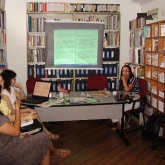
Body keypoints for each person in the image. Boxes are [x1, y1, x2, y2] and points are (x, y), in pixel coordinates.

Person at [0, 99, 71, 165]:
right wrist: (18, 110)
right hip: (7, 153)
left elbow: (8, 118)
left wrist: (26, 116)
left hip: (12, 143)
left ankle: (56, 152)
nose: (2, 84)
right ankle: (56, 152)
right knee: (43, 137)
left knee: (45, 149)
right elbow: (16, 131)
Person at [0, 69, 59, 140]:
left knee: (33, 112)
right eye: (13, 79)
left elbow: (22, 97)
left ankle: (45, 133)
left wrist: (21, 88)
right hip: (14, 113)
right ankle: (47, 133)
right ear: (8, 80)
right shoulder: (4, 94)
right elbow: (12, 111)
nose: (15, 80)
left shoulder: (11, 88)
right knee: (33, 112)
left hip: (17, 110)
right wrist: (27, 109)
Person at [111, 65, 140, 129]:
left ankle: (122, 125)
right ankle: (121, 124)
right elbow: (120, 91)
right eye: (123, 71)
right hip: (126, 100)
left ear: (130, 72)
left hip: (134, 102)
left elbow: (127, 89)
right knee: (112, 106)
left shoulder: (133, 79)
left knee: (119, 108)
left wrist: (124, 80)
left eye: (127, 71)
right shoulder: (122, 79)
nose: (125, 73)